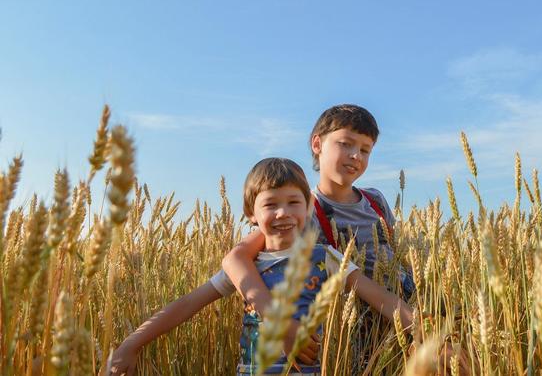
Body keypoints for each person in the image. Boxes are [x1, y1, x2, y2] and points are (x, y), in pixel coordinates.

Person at [108, 157, 413, 375]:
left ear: (308, 207)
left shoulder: (327, 257)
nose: (283, 213)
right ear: (250, 213)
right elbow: (188, 304)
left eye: (294, 202)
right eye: (270, 204)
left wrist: (433, 337)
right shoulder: (247, 268)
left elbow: (383, 300)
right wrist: (131, 345)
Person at [222, 105, 415, 364]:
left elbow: (396, 254)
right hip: (355, 334)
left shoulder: (376, 200)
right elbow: (236, 258)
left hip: (402, 315)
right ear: (317, 144)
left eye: (365, 150)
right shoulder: (300, 212)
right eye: (346, 144)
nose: (356, 155)